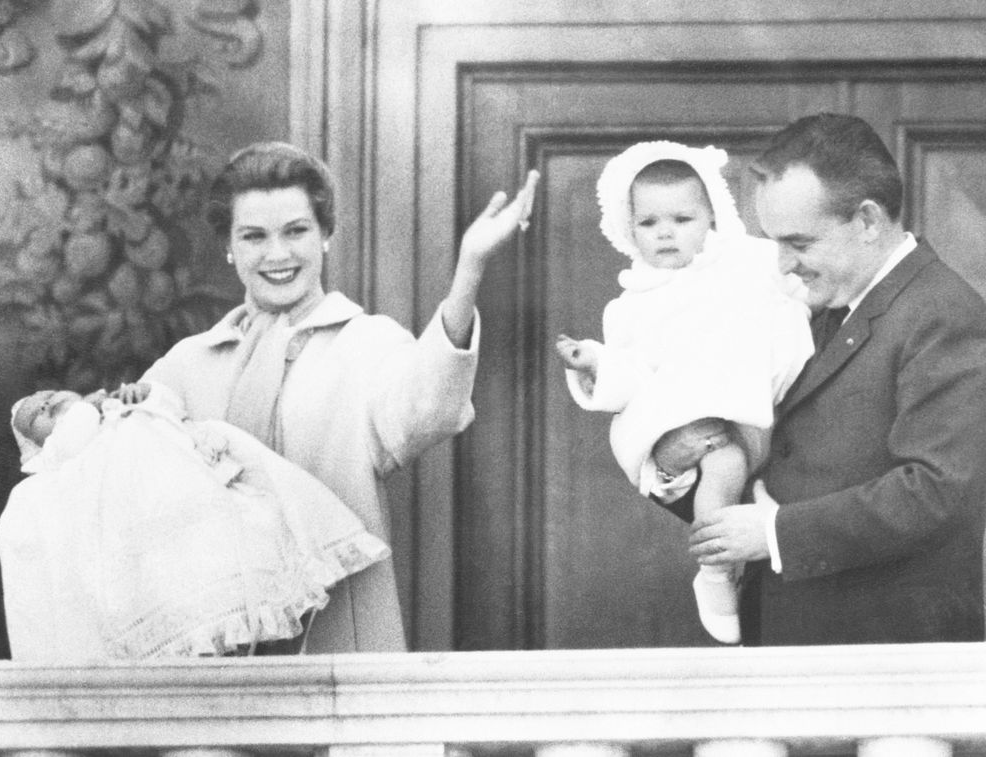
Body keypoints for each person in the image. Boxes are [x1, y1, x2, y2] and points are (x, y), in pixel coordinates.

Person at [141, 141, 540, 653]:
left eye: (296, 231)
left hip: (334, 641)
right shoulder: (186, 365)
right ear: (229, 247)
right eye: (254, 236)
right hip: (211, 655)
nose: (277, 254)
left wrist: (470, 269)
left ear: (326, 235)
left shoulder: (366, 343)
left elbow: (430, 409)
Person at [664, 113, 986, 645]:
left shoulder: (943, 313)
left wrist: (773, 533)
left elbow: (938, 491)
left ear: (867, 221)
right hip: (799, 641)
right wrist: (678, 465)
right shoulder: (812, 308)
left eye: (800, 242)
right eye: (774, 243)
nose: (783, 264)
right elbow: (775, 471)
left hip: (886, 658)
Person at [556, 141, 813, 643]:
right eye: (649, 224)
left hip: (740, 406)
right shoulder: (629, 305)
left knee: (728, 466)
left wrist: (794, 305)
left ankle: (723, 566)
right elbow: (630, 374)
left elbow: (795, 288)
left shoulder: (745, 262)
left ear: (712, 217)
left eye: (682, 218)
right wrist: (596, 362)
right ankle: (716, 571)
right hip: (678, 415)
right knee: (719, 466)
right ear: (628, 230)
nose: (667, 232)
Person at [0, 381, 390, 661]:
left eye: (51, 396)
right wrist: (89, 407)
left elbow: (170, 410)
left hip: (185, 488)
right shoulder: (64, 449)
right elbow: (73, 436)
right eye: (40, 415)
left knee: (231, 544)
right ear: (37, 446)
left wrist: (142, 396)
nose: (50, 405)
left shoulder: (117, 405)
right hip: (147, 509)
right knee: (176, 577)